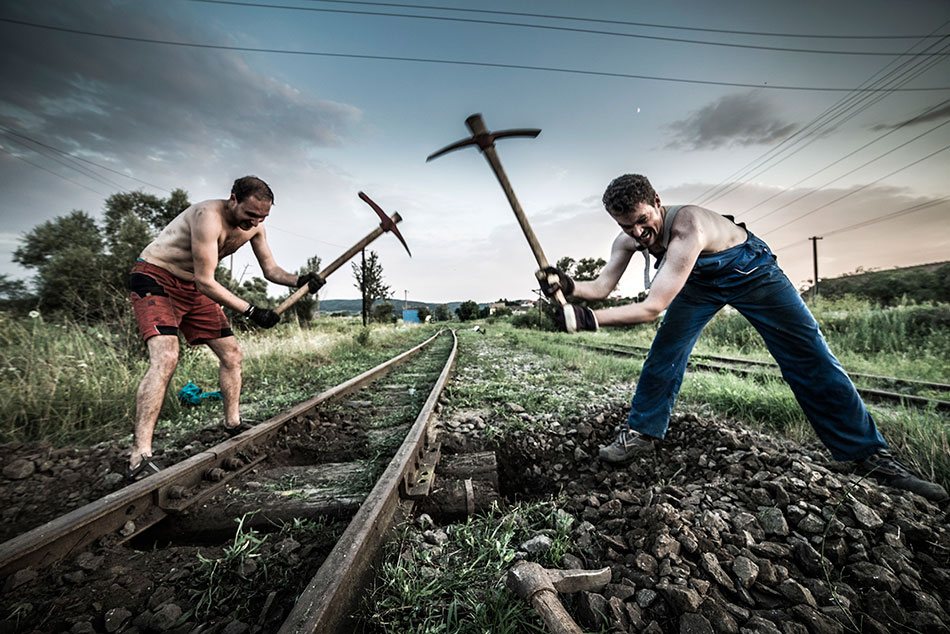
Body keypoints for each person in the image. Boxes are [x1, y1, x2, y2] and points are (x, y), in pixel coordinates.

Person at [538, 173, 947, 503]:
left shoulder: (689, 227)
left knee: (809, 358)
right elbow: (602, 287)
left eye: (643, 220)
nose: (639, 232)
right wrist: (567, 285)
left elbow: (652, 307)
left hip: (752, 271)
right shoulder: (627, 238)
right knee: (665, 353)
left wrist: (587, 320)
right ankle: (642, 432)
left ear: (657, 201)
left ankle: (870, 455)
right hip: (698, 283)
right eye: (627, 226)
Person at [125, 176, 324, 481]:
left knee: (232, 354)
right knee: (166, 358)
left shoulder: (255, 226)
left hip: (193, 287)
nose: (254, 222)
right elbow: (207, 281)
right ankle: (139, 456)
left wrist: (301, 280)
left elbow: (271, 270)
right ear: (233, 199)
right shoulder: (208, 217)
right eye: (250, 214)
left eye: (262, 217)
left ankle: (233, 424)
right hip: (156, 279)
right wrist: (252, 311)